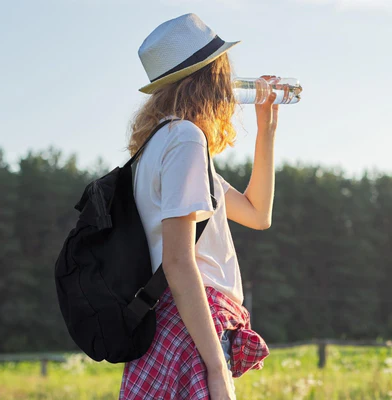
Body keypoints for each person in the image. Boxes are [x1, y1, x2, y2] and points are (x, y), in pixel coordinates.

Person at [119, 13, 278, 400]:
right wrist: (217, 367)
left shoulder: (159, 146)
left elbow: (257, 214)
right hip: (193, 327)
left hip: (172, 326)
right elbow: (178, 261)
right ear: (209, 76)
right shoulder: (186, 140)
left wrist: (266, 131)